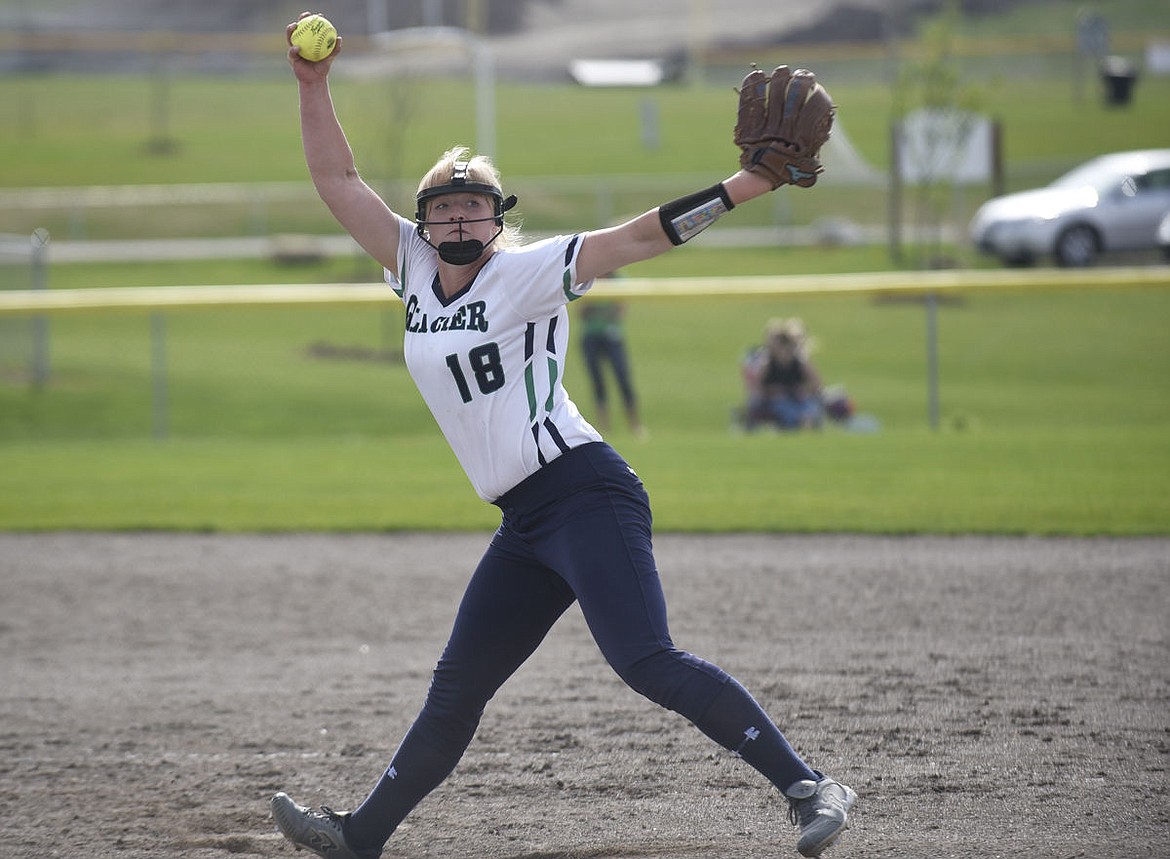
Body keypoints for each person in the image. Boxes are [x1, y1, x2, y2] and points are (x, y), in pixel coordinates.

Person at [272, 15, 855, 859]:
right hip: (524, 522)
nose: (460, 216)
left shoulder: (526, 270)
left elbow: (640, 237)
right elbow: (337, 179)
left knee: (646, 659)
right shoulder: (406, 267)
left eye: (475, 204)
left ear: (496, 217)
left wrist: (744, 186)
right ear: (425, 222)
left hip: (583, 490)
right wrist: (312, 84)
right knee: (457, 686)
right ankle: (361, 835)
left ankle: (812, 786)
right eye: (443, 206)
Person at [578, 292, 646, 436]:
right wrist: (603, 311)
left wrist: (595, 310)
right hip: (591, 337)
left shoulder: (616, 281)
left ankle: (635, 425)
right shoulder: (590, 280)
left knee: (623, 378)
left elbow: (620, 310)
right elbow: (581, 311)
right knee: (598, 382)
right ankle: (604, 427)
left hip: (612, 337)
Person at [741, 318, 825, 431]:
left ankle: (806, 422)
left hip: (797, 398)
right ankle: (801, 423)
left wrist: (802, 389)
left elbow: (817, 384)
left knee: (808, 405)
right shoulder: (766, 362)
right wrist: (771, 391)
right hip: (775, 400)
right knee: (783, 404)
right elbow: (757, 388)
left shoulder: (799, 361)